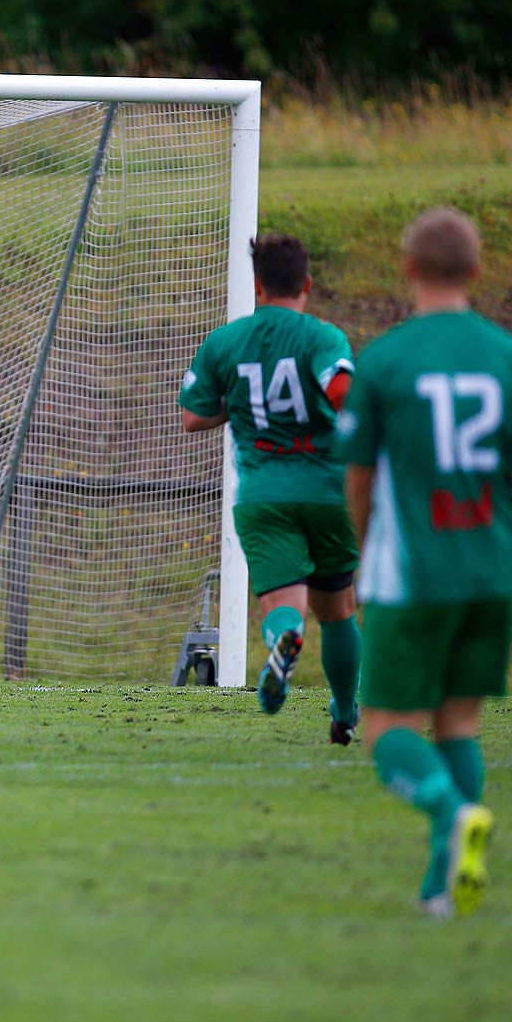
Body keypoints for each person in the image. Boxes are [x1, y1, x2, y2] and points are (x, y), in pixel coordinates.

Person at [339, 207, 512, 919]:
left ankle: (447, 816)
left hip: (413, 573)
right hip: (489, 569)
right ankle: (443, 889)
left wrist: (360, 551)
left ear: (408, 268)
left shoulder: (384, 360)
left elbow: (359, 479)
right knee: (459, 725)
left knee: (386, 733)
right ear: (476, 270)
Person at [179, 234, 363, 743]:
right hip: (328, 491)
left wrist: (235, 404)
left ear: (257, 284)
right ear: (306, 283)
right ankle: (345, 712)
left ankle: (284, 638)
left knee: (283, 602)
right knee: (338, 609)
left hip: (264, 496)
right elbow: (343, 391)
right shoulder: (322, 337)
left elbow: (193, 417)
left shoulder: (225, 342)